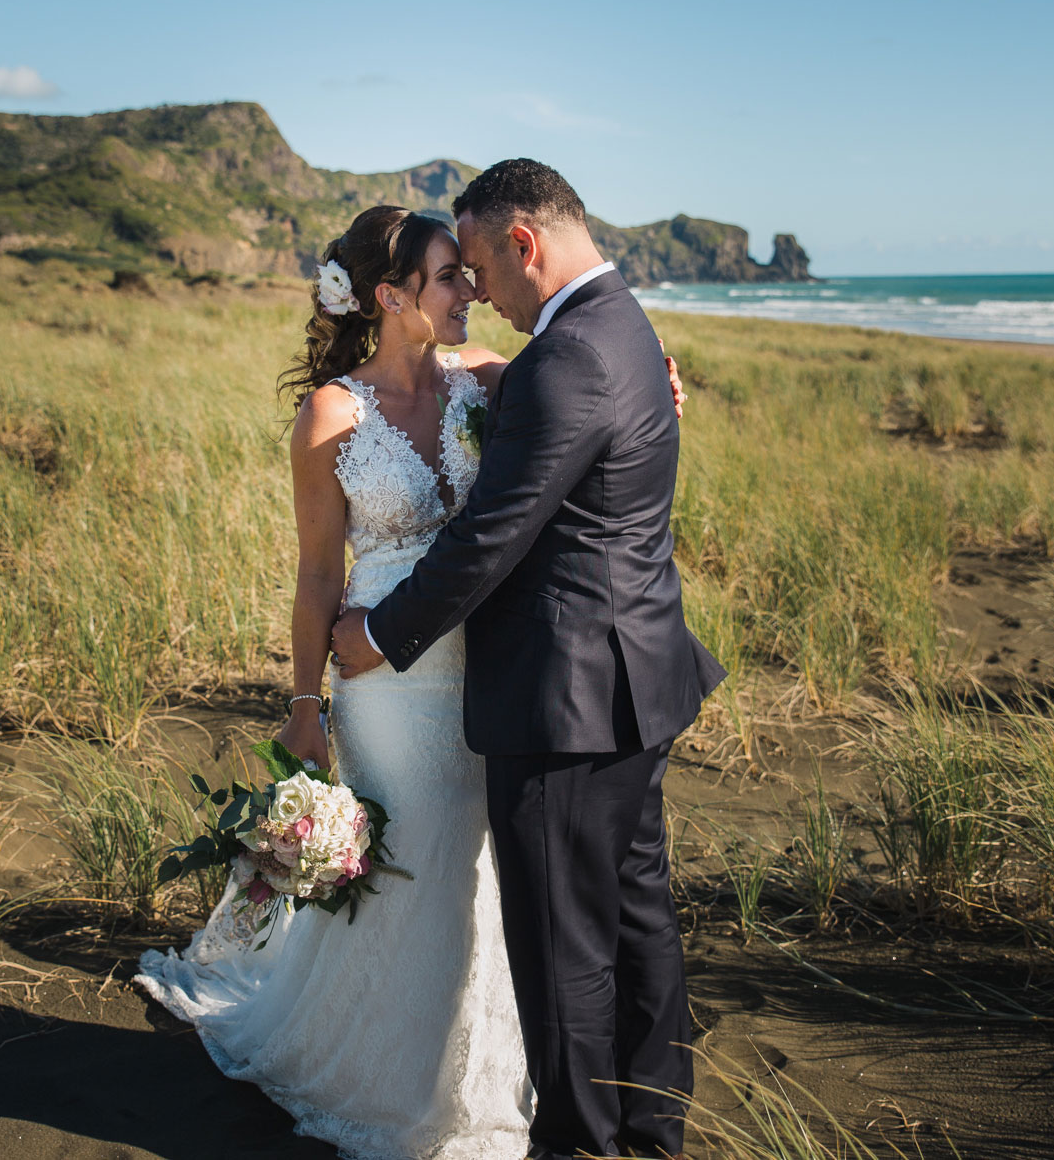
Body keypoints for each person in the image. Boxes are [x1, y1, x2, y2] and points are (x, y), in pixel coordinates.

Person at [135, 201, 692, 1160]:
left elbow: (589, 392)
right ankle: (390, 1075)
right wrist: (305, 706)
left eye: (470, 271)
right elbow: (318, 573)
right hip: (381, 680)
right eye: (448, 275)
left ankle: (503, 1068)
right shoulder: (331, 415)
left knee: (488, 876)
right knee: (416, 867)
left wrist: (659, 379)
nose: (471, 287)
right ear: (392, 298)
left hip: (488, 668)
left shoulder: (489, 377)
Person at [332, 160, 726, 1160]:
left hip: (564, 704)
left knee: (564, 957)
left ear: (523, 245)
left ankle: (583, 1147)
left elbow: (489, 537)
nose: (478, 294)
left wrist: (375, 635)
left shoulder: (566, 358)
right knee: (635, 927)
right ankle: (647, 1133)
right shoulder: (618, 325)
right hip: (633, 683)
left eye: (478, 267)